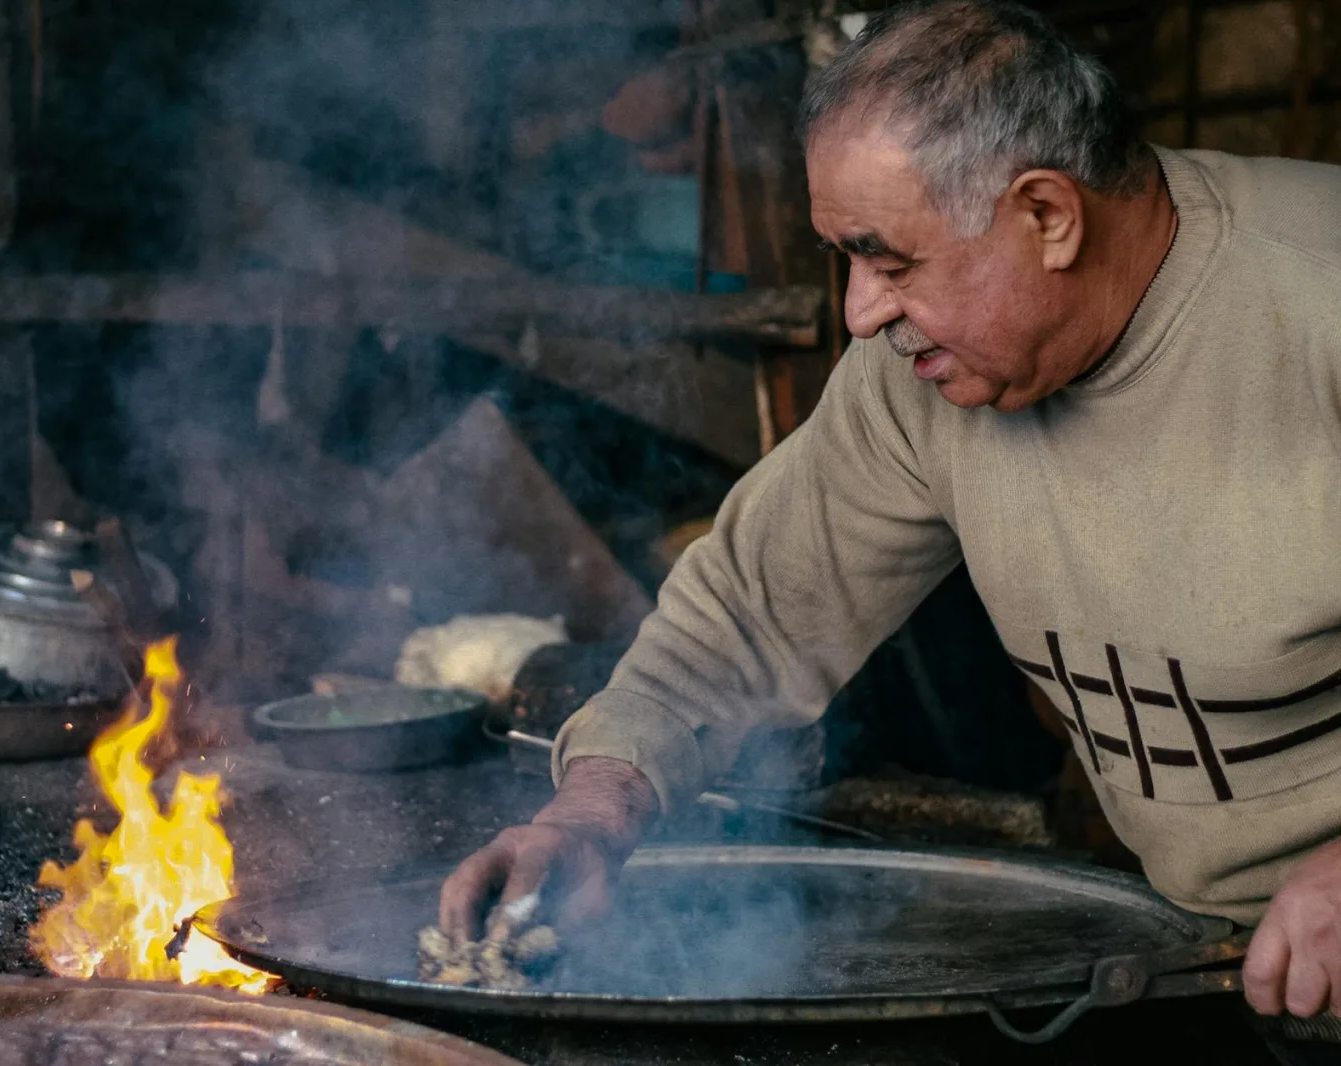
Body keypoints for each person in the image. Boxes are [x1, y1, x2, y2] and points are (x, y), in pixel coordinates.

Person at [439, 0, 1341, 1030]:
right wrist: (593, 810)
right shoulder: (914, 379)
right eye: (845, 259)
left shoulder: (1315, 304)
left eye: (891, 261)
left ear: (1046, 215)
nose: (861, 312)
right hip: (1216, 958)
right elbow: (748, 613)